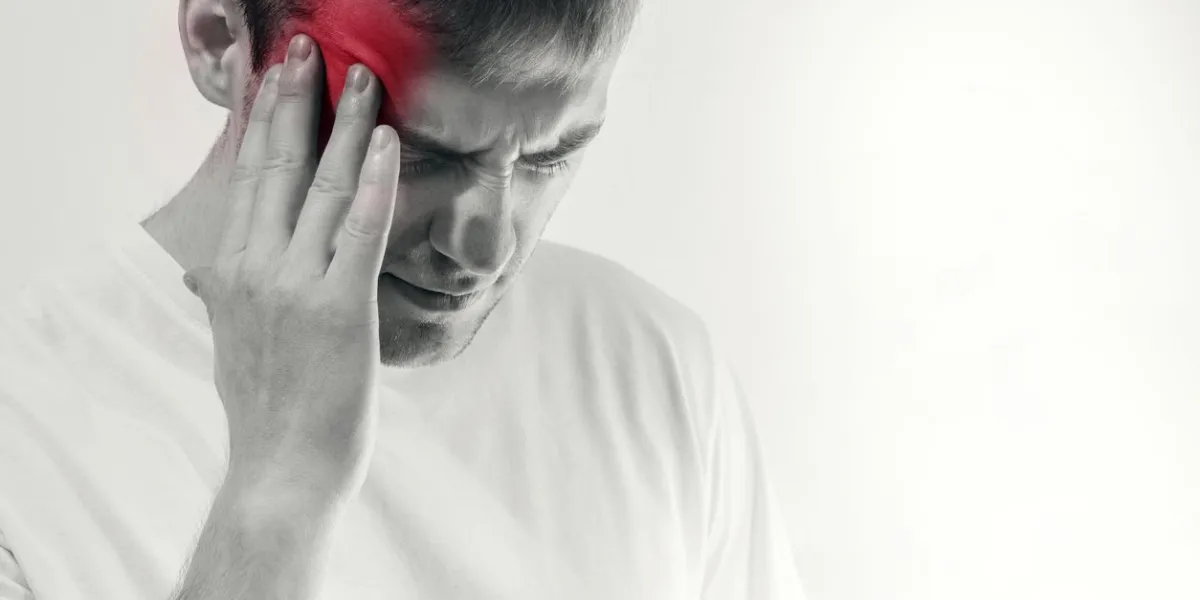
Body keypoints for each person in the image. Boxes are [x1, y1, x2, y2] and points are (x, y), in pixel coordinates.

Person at [0, 0, 804, 598]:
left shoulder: (651, 367)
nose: (488, 246)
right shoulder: (27, 434)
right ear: (218, 44)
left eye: (550, 156)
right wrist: (276, 493)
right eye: (416, 151)